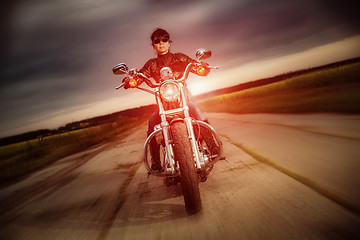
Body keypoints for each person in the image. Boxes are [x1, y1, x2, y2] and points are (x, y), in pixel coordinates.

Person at [126, 28, 214, 171]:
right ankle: (156, 162)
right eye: (157, 41)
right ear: (153, 45)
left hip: (183, 102)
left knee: (196, 110)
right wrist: (131, 79)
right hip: (164, 107)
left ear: (169, 42)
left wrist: (201, 66)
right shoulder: (151, 64)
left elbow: (193, 65)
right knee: (152, 123)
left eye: (164, 40)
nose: (161, 43)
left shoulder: (179, 57)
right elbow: (141, 74)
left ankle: (213, 147)